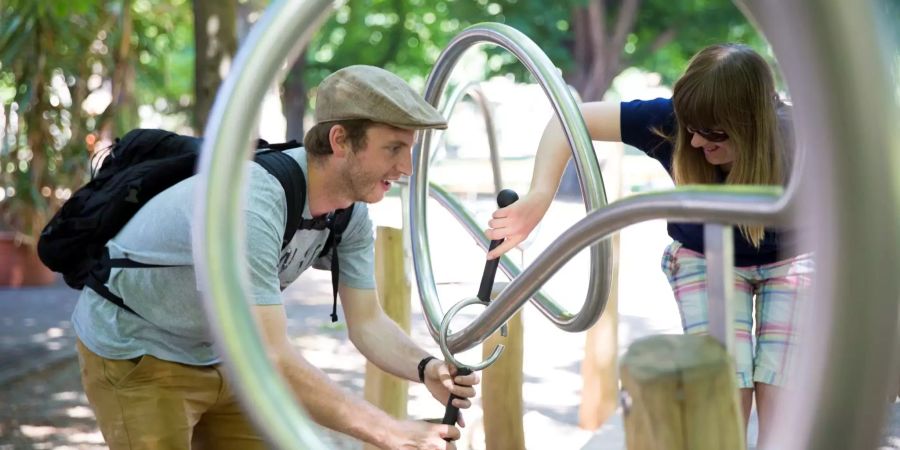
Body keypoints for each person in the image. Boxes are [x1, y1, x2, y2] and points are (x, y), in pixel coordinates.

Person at [72, 65, 477, 450]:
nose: (406, 167)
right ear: (339, 140)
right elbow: (271, 356)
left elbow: (367, 321)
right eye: (393, 148)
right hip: (139, 349)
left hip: (223, 351)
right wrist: (390, 432)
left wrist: (425, 369)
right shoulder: (252, 204)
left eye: (409, 149)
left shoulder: (350, 214)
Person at [485, 44, 813, 445]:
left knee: (781, 391)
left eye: (712, 132)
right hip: (704, 255)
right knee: (726, 383)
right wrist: (539, 198)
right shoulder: (672, 123)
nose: (694, 143)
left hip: (789, 259)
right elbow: (570, 120)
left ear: (753, 122)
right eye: (691, 127)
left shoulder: (802, 136)